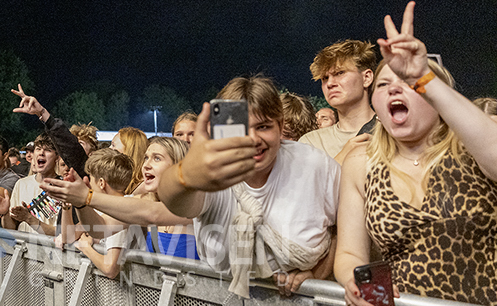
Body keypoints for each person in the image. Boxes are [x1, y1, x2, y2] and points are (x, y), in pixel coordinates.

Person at [334, 2, 497, 306]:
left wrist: (423, 76)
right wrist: (352, 280)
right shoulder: (361, 164)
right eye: (384, 85)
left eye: (408, 83)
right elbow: (349, 253)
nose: (394, 90)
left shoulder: (473, 145)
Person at [157, 75, 340, 298]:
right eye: (241, 129)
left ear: (280, 125)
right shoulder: (213, 172)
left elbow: (343, 230)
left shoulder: (315, 166)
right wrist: (185, 175)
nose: (252, 139)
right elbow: (173, 199)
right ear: (222, 131)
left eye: (263, 126)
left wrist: (317, 275)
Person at [42, 137, 199, 260]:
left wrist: (87, 196)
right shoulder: (144, 200)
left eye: (156, 158)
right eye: (145, 158)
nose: (146, 165)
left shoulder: (197, 203)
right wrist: (80, 203)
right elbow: (99, 227)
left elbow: (153, 214)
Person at [59, 148, 135, 279]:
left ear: (101, 183)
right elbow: (69, 236)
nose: (89, 184)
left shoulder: (120, 211)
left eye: (91, 179)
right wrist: (68, 205)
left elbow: (110, 268)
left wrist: (86, 248)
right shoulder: (104, 209)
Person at [299, 40, 377, 164]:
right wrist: (343, 157)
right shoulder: (311, 143)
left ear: (366, 78)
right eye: (325, 78)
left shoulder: (392, 132)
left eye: (340, 73)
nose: (330, 83)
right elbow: (307, 184)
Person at [0, 133, 61, 235]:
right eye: (38, 149)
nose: (41, 153)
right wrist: (5, 212)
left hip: (49, 249)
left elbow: (60, 233)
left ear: (57, 157)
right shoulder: (21, 184)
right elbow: (10, 228)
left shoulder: (63, 187)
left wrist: (29, 218)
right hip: (24, 249)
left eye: (48, 150)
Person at [109, 127, 148, 194]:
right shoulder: (122, 179)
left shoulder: (144, 188)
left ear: (129, 151)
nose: (109, 148)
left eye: (113, 145)